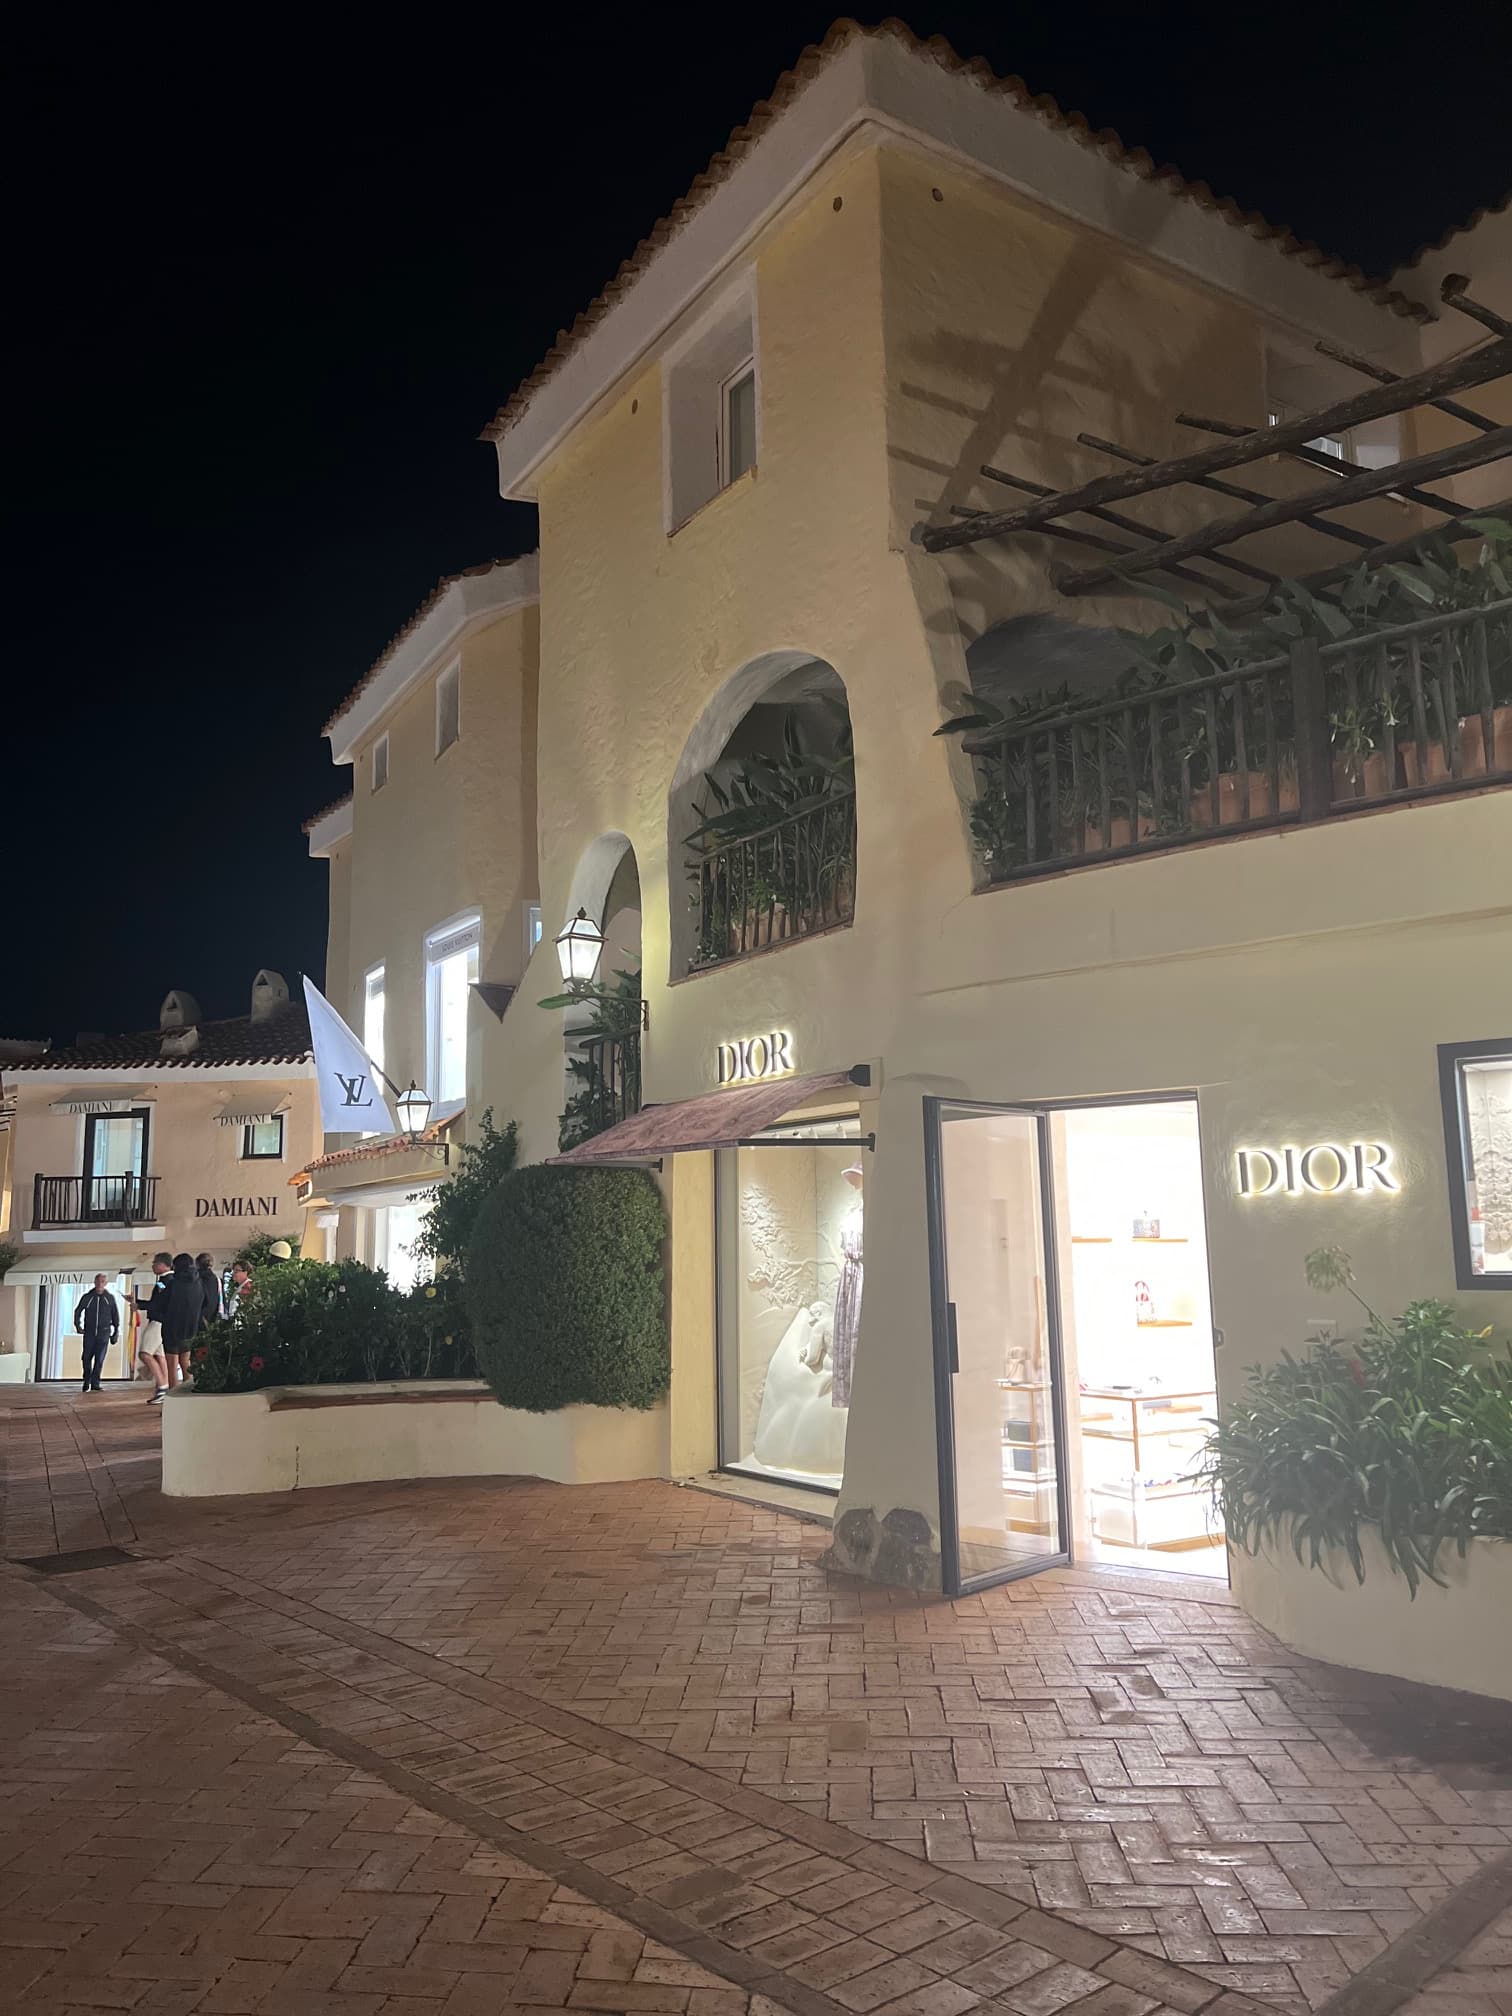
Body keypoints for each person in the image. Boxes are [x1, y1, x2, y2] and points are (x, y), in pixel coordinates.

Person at [160, 1251, 205, 1389]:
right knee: (186, 1362)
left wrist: (140, 1304)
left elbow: (161, 1304)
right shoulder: (199, 1283)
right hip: (191, 1328)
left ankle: (172, 1398)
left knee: (172, 1366)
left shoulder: (174, 1283)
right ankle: (187, 1395)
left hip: (173, 1328)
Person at [134, 1252, 173, 1404]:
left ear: (164, 1265)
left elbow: (158, 1304)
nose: (152, 1266)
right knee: (160, 1355)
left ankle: (162, 1385)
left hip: (158, 1321)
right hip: (163, 1322)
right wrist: (139, 1302)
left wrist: (140, 1305)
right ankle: (164, 1386)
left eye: (155, 1263)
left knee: (144, 1354)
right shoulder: (164, 1281)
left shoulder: (166, 1281)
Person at [74, 1274, 119, 1394]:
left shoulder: (109, 1298)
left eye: (102, 1281)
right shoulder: (87, 1297)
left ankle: (95, 1383)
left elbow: (115, 1315)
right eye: (98, 1281)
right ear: (94, 1282)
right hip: (89, 1333)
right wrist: (77, 1326)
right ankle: (86, 1379)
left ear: (106, 1283)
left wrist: (116, 1331)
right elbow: (78, 1311)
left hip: (103, 1334)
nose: (100, 1283)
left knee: (99, 1360)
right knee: (86, 1358)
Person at [196, 1252, 223, 1325]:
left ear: (197, 1264)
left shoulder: (195, 1279)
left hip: (198, 1317)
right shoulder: (216, 1279)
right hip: (212, 1316)